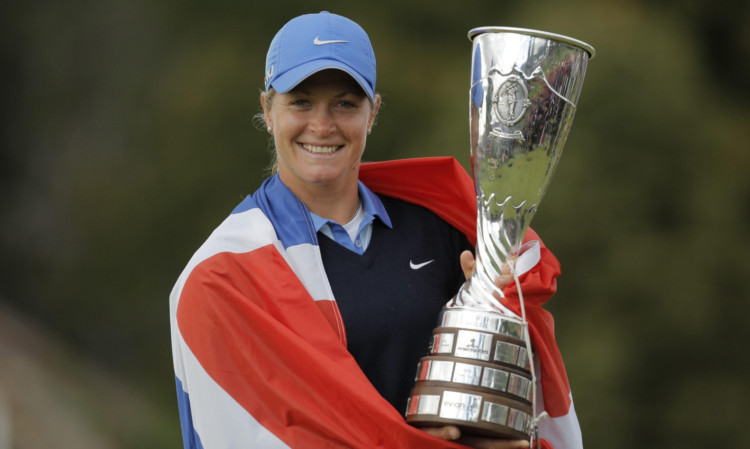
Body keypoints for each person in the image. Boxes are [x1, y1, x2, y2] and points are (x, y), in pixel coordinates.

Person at [170, 11, 582, 449]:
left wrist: (491, 322)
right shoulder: (224, 277)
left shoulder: (440, 229)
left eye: (345, 103)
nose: (323, 126)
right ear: (267, 110)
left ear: (373, 112)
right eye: (301, 101)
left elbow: (492, 402)